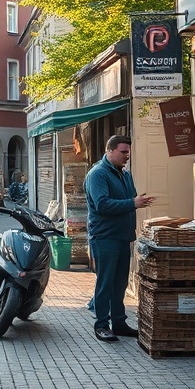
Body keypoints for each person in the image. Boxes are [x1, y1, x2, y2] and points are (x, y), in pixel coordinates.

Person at [83, 135, 154, 343]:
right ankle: (102, 325)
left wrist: (136, 202)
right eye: (123, 152)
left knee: (120, 283)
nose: (127, 156)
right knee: (105, 283)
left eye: (128, 152)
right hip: (105, 237)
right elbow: (102, 205)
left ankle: (119, 323)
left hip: (123, 237)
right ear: (110, 151)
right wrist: (133, 203)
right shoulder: (98, 174)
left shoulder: (124, 174)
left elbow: (129, 199)